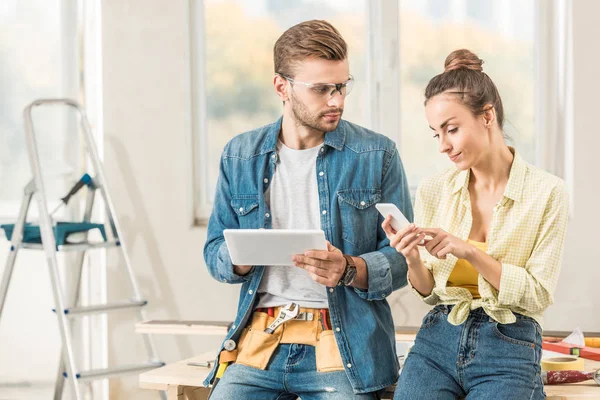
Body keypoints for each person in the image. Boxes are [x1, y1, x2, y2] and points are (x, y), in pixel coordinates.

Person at [204, 20, 413, 399]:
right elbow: (213, 251)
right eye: (322, 89)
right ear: (281, 87)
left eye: (342, 86)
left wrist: (351, 268)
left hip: (343, 345)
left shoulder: (376, 154)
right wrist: (239, 259)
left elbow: (404, 261)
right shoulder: (239, 156)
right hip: (258, 343)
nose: (337, 100)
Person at [385, 49, 570, 400]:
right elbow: (429, 294)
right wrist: (410, 257)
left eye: (452, 129)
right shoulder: (434, 189)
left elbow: (538, 294)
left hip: (510, 342)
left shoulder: (548, 192)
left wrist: (468, 251)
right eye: (435, 134)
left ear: (487, 115)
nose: (443, 146)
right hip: (437, 339)